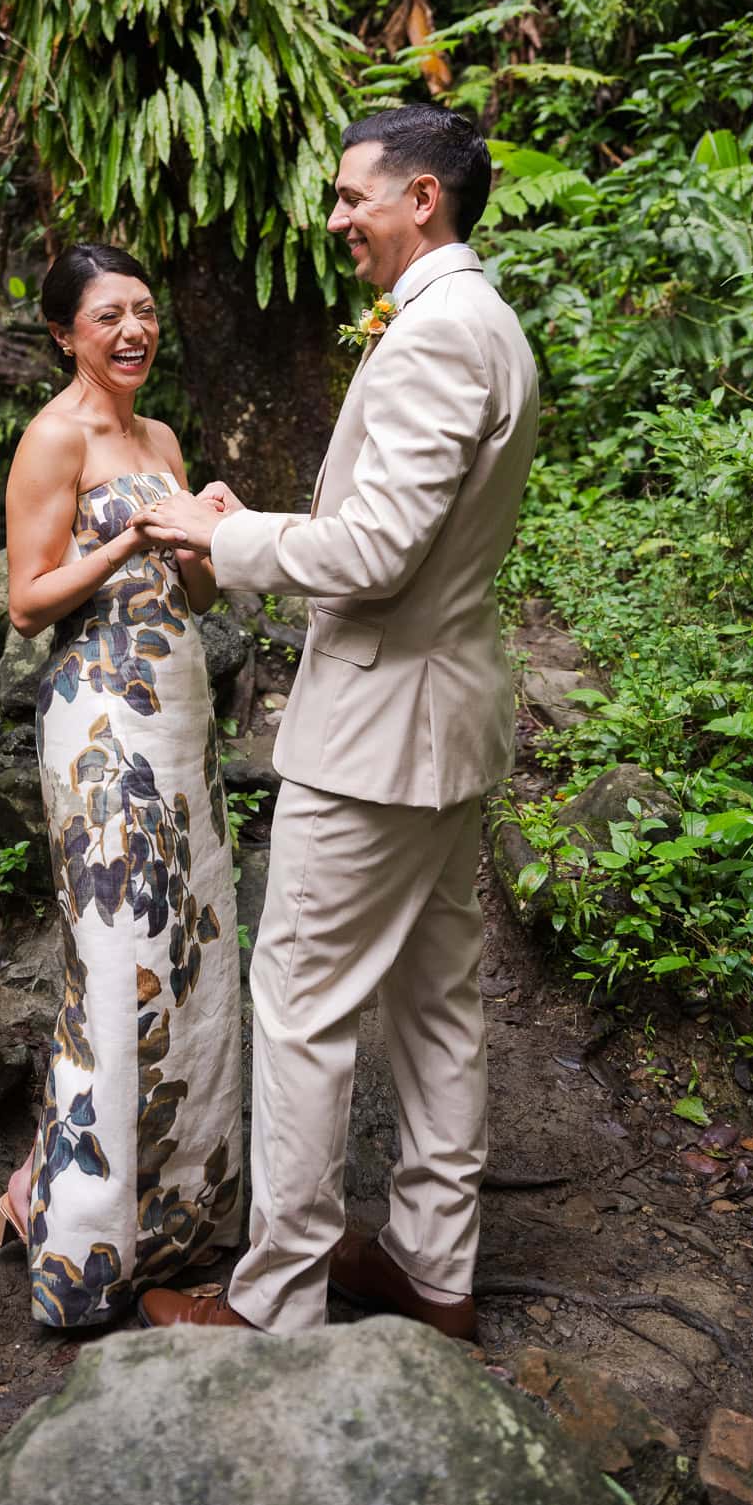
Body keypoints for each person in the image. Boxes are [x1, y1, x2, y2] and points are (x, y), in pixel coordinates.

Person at [133, 105, 538, 1343]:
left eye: (353, 196)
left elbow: (372, 552)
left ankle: (274, 1304)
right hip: (445, 724)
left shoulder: (436, 338)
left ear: (424, 197)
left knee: (302, 1003)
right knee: (434, 1002)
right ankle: (429, 1268)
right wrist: (260, 519)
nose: (337, 218)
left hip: (375, 733)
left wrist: (224, 536)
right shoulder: (489, 324)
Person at [0, 241, 241, 1329]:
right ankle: (84, 1245)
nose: (134, 330)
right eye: (109, 317)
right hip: (100, 730)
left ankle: (175, 1223)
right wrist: (127, 536)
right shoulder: (56, 436)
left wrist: (203, 531)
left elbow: (192, 596)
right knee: (117, 971)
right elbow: (27, 599)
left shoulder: (164, 437)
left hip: (182, 722)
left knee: (190, 969)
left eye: (145, 311)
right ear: (65, 334)